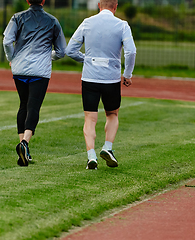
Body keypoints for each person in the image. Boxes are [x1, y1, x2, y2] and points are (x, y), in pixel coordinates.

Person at [65, 0, 136, 170]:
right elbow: (131, 51)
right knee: (112, 114)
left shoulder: (87, 22)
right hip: (111, 78)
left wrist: (88, 60)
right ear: (115, 6)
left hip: (90, 77)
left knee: (90, 118)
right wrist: (127, 74)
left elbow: (69, 50)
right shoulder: (122, 25)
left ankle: (91, 157)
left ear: (99, 5)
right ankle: (107, 148)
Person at [3, 0, 66, 167]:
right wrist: (48, 55)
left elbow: (7, 42)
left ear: (27, 0)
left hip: (19, 69)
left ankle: (24, 149)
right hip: (40, 72)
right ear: (43, 1)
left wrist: (11, 58)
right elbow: (61, 51)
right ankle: (24, 144)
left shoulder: (17, 17)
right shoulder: (53, 21)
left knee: (23, 105)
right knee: (34, 106)